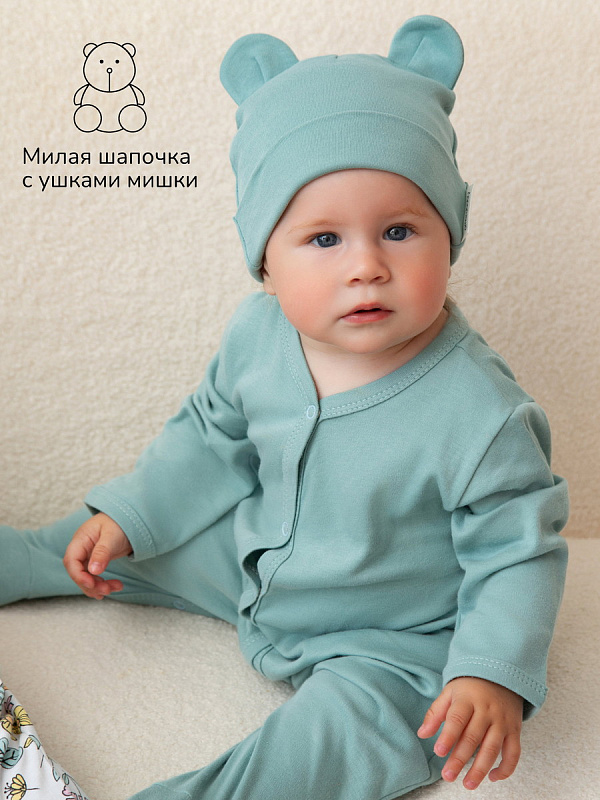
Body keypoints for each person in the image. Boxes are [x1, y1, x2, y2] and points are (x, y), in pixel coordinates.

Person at [0, 15, 568, 800]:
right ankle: (23, 557)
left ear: (451, 234)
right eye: (324, 239)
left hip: (390, 639)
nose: (366, 266)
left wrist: (489, 671)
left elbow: (517, 553)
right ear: (265, 260)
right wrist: (133, 513)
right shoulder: (258, 335)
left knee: (342, 738)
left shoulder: (480, 412)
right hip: (252, 564)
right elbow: (210, 437)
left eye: (399, 230)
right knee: (110, 541)